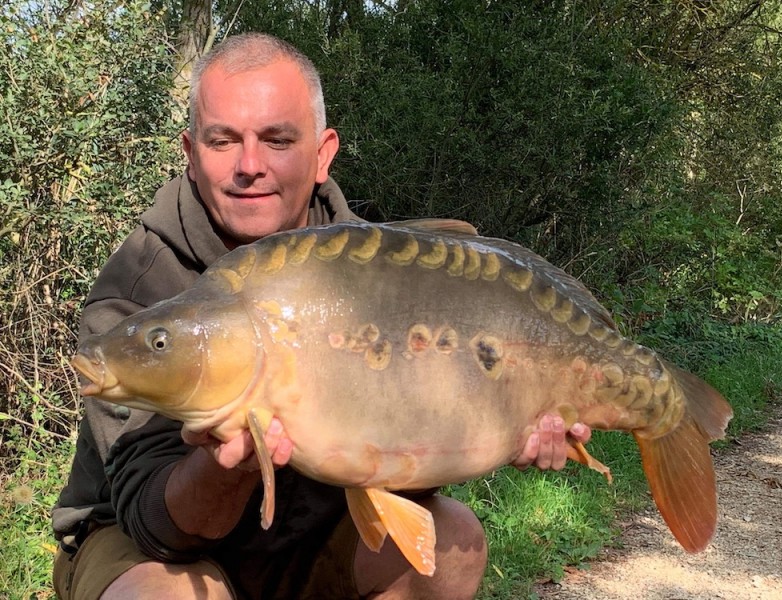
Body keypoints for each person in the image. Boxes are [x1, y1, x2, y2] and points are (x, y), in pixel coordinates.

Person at [52, 33, 592, 600]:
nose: (249, 166)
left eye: (278, 139)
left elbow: (400, 452)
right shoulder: (139, 286)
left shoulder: (374, 272)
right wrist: (226, 465)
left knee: (452, 543)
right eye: (223, 140)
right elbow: (158, 529)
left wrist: (504, 426)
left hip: (304, 539)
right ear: (191, 152)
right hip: (153, 549)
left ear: (322, 152)